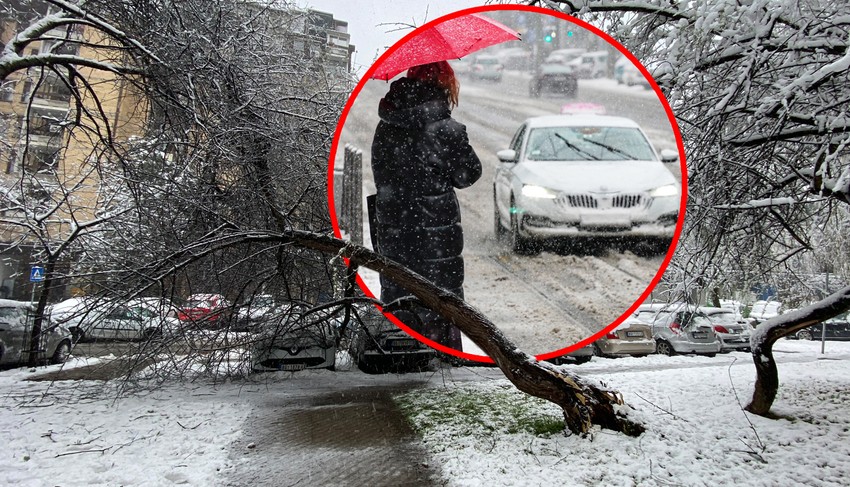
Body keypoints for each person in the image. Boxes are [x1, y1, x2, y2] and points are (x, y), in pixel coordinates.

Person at [370, 60, 482, 351]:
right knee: (441, 304)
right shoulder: (447, 130)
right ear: (445, 85)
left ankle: (400, 354)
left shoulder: (386, 126)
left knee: (400, 299)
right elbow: (469, 174)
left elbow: (381, 174)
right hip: (436, 237)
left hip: (395, 233)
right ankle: (442, 354)